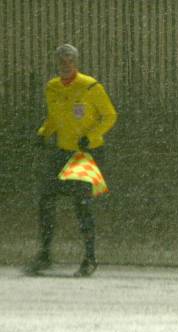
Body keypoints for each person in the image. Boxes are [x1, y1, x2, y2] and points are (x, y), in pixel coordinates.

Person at [25, 43, 117, 277]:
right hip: (62, 150)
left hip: (86, 153)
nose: (65, 65)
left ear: (76, 62)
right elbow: (55, 118)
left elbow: (109, 115)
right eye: (61, 61)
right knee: (46, 199)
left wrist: (91, 136)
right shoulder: (53, 87)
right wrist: (43, 133)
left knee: (81, 205)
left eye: (69, 60)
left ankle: (90, 258)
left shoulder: (90, 87)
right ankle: (45, 254)